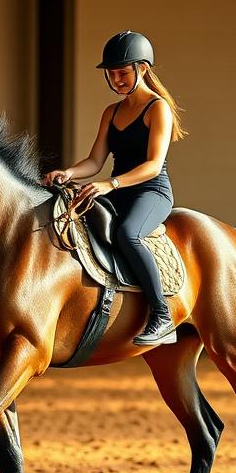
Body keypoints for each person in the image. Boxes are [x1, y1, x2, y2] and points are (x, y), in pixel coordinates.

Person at [42, 30, 187, 346]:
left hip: (151, 191)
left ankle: (162, 315)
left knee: (128, 234)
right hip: (116, 189)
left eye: (123, 72)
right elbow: (94, 161)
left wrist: (111, 183)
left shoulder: (157, 108)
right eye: (112, 73)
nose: (117, 79)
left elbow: (152, 165)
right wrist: (67, 172)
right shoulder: (112, 111)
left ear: (143, 69)